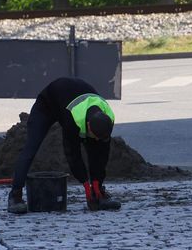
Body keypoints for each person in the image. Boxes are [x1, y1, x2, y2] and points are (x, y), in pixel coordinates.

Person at [7, 77, 121, 214]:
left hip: (71, 99)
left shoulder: (108, 118)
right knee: (31, 149)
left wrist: (96, 185)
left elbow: (101, 155)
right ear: (89, 125)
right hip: (47, 105)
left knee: (96, 149)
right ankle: (15, 196)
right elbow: (73, 154)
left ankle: (99, 193)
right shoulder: (73, 119)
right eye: (94, 135)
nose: (96, 139)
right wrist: (86, 186)